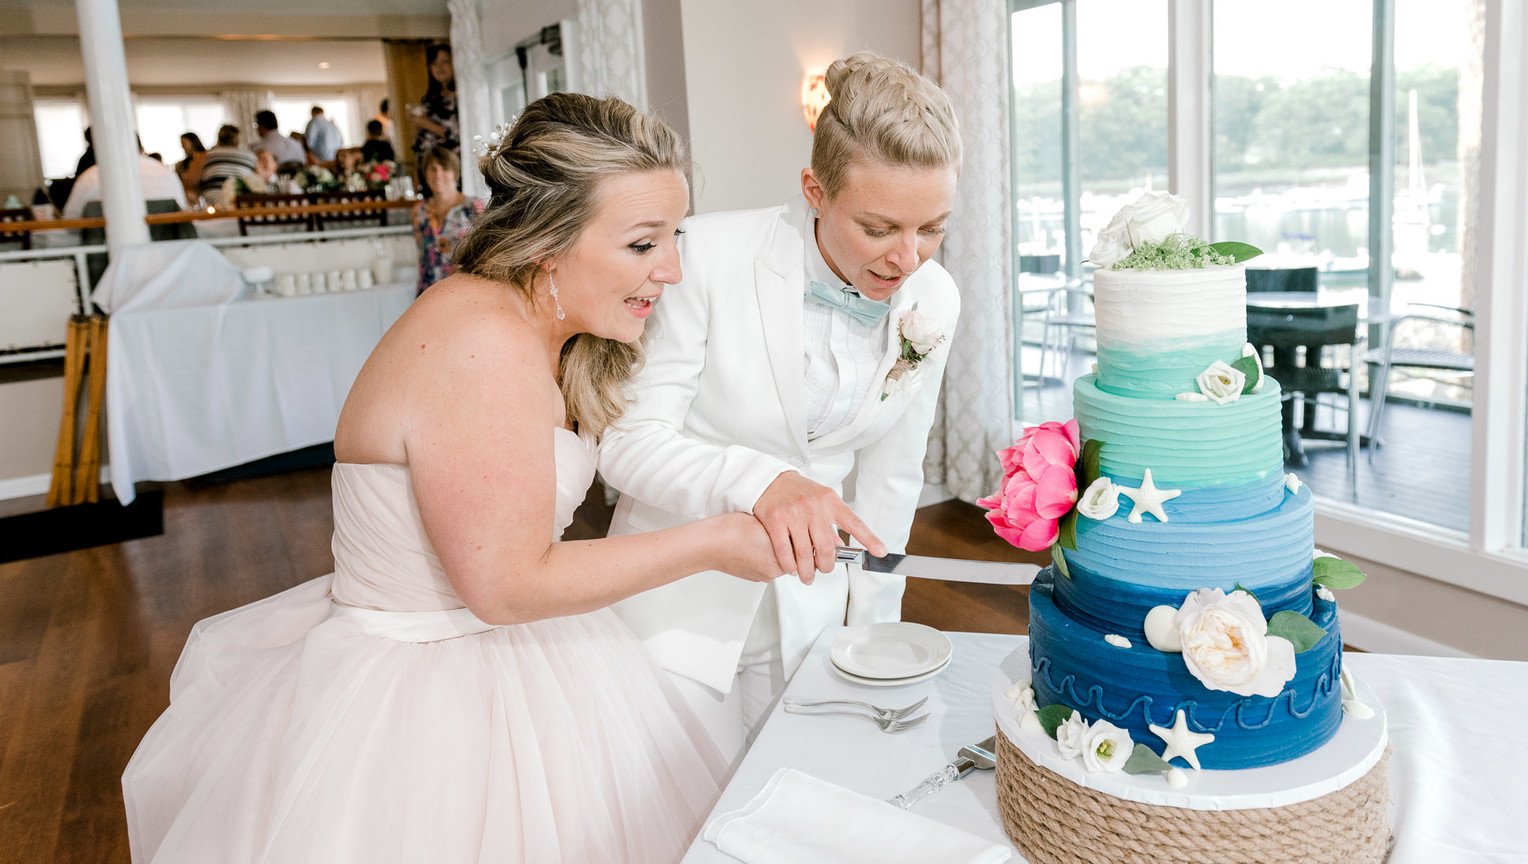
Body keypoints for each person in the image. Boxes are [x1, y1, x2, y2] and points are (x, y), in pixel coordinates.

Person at [122, 93, 785, 864]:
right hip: (419, 695)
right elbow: (504, 586)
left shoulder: (549, 328)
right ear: (549, 241)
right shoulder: (482, 341)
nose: (671, 269)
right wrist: (712, 543)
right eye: (643, 243)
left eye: (674, 237)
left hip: (519, 653)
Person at [597, 52, 961, 760]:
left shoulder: (934, 298)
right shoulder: (704, 254)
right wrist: (764, 482)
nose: (909, 258)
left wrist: (874, 631)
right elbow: (628, 441)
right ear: (814, 190)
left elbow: (892, 478)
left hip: (813, 606)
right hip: (677, 604)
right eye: (879, 228)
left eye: (933, 228)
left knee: (799, 788)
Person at [412, 145, 485, 293]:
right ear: (425, 173)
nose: (438, 174)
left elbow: (485, 254)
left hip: (464, 291)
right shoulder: (419, 210)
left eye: (444, 168)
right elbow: (422, 255)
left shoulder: (474, 206)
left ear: (455, 172)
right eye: (432, 169)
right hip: (427, 292)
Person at [61, 135, 187, 219]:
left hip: (107, 250)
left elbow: (72, 221)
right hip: (169, 249)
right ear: (141, 148)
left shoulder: (91, 176)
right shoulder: (165, 172)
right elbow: (182, 211)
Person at [410, 43, 459, 173]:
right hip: (426, 164)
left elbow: (458, 135)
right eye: (435, 63)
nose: (439, 67)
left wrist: (425, 123)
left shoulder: (461, 97)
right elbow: (421, 138)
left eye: (445, 62)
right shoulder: (429, 99)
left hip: (448, 166)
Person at [197, 125, 258, 202]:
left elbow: (192, 181)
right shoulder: (250, 156)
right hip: (240, 200)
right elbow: (257, 179)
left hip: (212, 200)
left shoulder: (207, 155)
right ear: (238, 139)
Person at [175, 132, 207, 200]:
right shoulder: (181, 164)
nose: (182, 146)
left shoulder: (205, 157)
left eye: (184, 143)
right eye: (181, 143)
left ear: (192, 142)